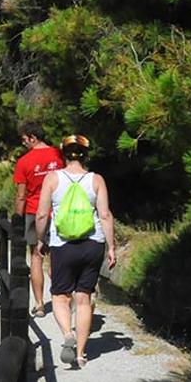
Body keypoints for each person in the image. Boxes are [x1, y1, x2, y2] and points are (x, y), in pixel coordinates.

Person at [34, 135, 116, 368]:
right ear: (85, 154)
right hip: (93, 244)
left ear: (63, 154)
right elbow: (105, 215)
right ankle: (80, 354)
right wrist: (111, 247)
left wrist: (41, 239)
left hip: (63, 245)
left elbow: (41, 215)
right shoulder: (96, 180)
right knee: (83, 298)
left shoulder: (52, 178)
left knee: (60, 296)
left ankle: (67, 334)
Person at [12, 122, 63, 317]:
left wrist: (18, 219)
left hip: (34, 212)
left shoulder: (24, 162)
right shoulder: (59, 155)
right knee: (57, 256)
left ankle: (40, 304)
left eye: (25, 139)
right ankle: (62, 300)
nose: (23, 143)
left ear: (33, 137)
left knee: (36, 257)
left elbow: (21, 196)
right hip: (58, 211)